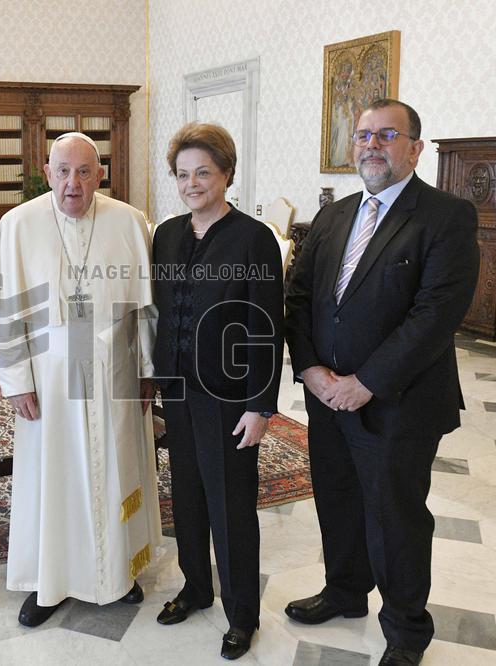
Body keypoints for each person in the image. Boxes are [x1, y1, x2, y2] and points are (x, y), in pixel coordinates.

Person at [284, 99, 479, 666]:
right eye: (364, 135)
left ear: (415, 148)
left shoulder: (446, 216)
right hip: (326, 398)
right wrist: (312, 370)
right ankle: (344, 592)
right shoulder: (333, 216)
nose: (371, 144)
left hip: (400, 403)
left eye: (387, 134)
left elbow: (436, 315)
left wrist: (365, 382)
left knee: (395, 516)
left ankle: (405, 629)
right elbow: (299, 299)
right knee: (338, 500)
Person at [0, 132, 161, 628]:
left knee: (117, 465)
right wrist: (15, 379)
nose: (72, 184)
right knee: (55, 473)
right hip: (50, 372)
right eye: (62, 171)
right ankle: (51, 581)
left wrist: (148, 370)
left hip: (116, 369)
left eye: (84, 172)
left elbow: (146, 307)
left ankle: (120, 571)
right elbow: (2, 311)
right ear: (47, 171)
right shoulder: (17, 225)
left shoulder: (129, 221)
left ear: (100, 174)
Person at [151, 122, 284, 661]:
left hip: (229, 398)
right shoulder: (166, 234)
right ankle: (195, 588)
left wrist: (260, 405)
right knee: (185, 498)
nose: (192, 183)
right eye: (183, 174)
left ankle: (242, 614)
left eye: (203, 172)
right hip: (178, 394)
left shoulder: (254, 238)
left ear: (226, 173)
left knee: (230, 506)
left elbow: (266, 326)